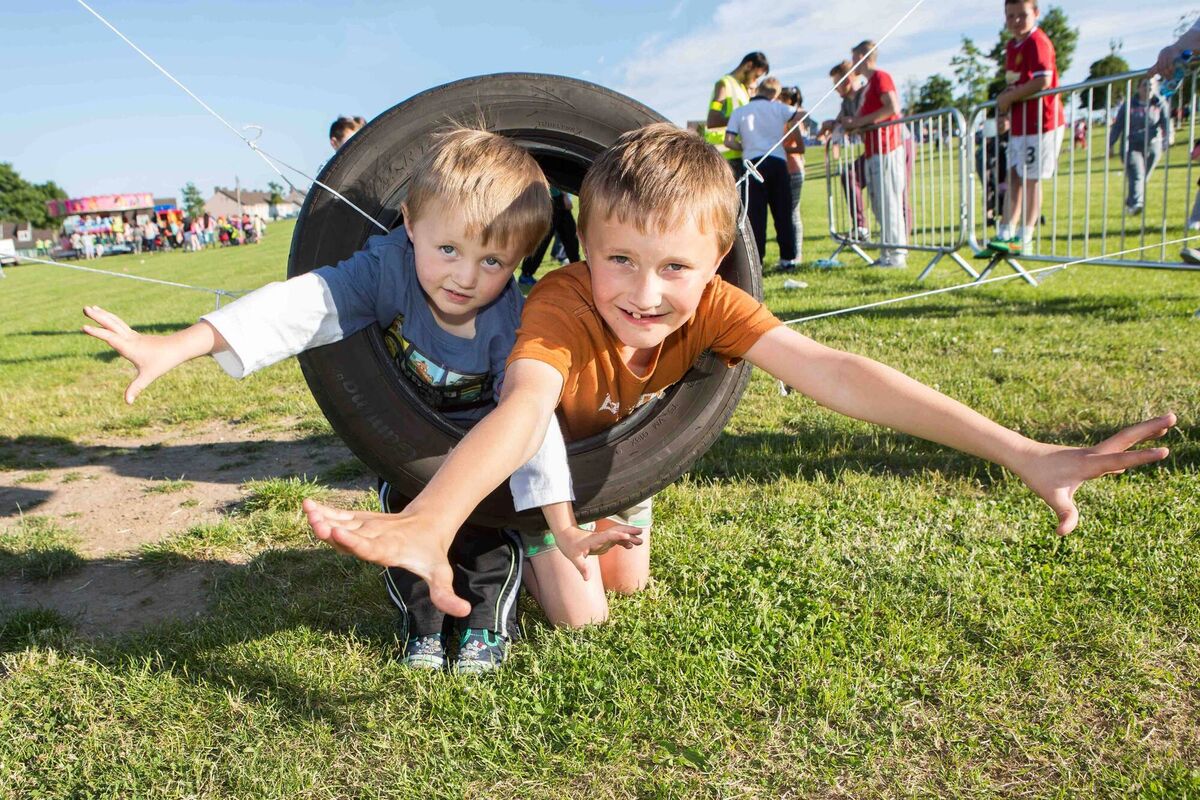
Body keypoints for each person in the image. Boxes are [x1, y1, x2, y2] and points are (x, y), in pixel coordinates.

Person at [300, 123, 1175, 629]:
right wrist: (434, 517)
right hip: (546, 472)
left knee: (628, 586)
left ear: (718, 258)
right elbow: (527, 407)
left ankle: (572, 526)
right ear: (583, 249)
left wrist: (1019, 449)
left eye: (675, 267)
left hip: (620, 460)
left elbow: (835, 371)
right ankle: (491, 533)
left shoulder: (712, 304)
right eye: (620, 260)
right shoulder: (561, 306)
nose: (645, 293)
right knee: (585, 619)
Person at [80, 128, 637, 671]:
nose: (465, 277)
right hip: (409, 439)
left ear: (519, 260)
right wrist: (177, 346)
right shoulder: (384, 267)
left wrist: (560, 522)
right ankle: (422, 625)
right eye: (448, 249)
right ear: (411, 226)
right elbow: (297, 309)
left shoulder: (511, 321)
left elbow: (528, 421)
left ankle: (484, 620)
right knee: (401, 511)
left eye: (493, 262)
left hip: (485, 454)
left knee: (516, 559)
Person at [986, 0, 1065, 256]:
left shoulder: (1038, 41)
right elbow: (1014, 84)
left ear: (1036, 14)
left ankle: (1025, 235)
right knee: (1014, 177)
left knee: (1032, 179)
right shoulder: (1011, 46)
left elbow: (1043, 80)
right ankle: (1005, 231)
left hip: (1042, 122)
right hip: (1020, 125)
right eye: (1010, 16)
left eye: (1022, 15)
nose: (1016, 21)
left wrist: (1009, 98)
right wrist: (1006, 109)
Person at [725, 76, 801, 270]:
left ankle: (756, 261)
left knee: (755, 215)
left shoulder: (740, 111)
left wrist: (744, 146)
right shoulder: (779, 108)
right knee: (783, 211)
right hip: (777, 160)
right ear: (775, 93)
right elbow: (800, 115)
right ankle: (788, 258)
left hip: (752, 162)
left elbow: (728, 140)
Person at [844, 41, 908, 268]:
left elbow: (892, 107)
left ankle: (897, 254)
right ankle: (887, 252)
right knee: (879, 204)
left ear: (864, 55)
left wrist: (860, 122)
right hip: (874, 150)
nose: (852, 64)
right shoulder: (868, 85)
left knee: (890, 202)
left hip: (887, 148)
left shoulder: (881, 77)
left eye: (854, 58)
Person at [1109, 76, 1173, 217]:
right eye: (1145, 85)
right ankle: (1137, 204)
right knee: (1138, 174)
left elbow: (1166, 122)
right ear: (1138, 88)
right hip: (1131, 145)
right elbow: (1118, 125)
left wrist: (1168, 138)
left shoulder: (1160, 104)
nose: (1149, 88)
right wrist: (1111, 144)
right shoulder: (1128, 105)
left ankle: (1131, 201)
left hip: (1153, 145)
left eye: (1152, 85)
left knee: (1143, 177)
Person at [822, 61, 869, 239]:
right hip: (873, 151)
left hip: (893, 145)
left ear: (847, 79)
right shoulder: (846, 103)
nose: (835, 89)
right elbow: (840, 122)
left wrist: (844, 124)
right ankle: (860, 227)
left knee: (895, 193)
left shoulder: (865, 93)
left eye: (837, 83)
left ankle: (898, 242)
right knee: (849, 176)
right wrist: (832, 124)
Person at [703, 52, 770, 177]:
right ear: (749, 66)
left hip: (738, 155)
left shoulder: (743, 89)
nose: (756, 80)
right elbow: (712, 119)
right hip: (723, 159)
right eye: (756, 76)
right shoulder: (724, 84)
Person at [519, 187, 579, 286]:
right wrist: (564, 195)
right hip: (550, 199)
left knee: (570, 236)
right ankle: (526, 275)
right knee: (542, 240)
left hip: (556, 198)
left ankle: (578, 271)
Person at [779, 85, 807, 265]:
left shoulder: (791, 121)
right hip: (787, 170)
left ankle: (796, 255)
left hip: (793, 170)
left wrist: (780, 148)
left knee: (793, 214)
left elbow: (800, 147)